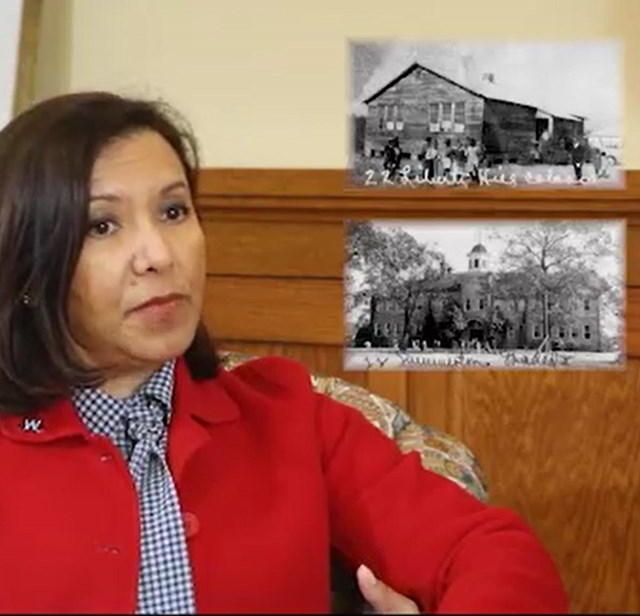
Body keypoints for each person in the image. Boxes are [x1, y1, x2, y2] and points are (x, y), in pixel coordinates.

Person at [0, 91, 568, 614]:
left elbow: (496, 554)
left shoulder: (290, 417)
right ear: (27, 262)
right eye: (102, 225)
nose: (157, 254)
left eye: (174, 212)